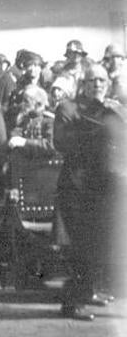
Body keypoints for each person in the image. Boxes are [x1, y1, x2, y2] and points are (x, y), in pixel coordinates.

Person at [53, 64, 124, 321]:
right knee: (80, 247)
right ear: (83, 83)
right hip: (77, 187)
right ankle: (71, 305)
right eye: (92, 80)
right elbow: (61, 143)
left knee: (99, 244)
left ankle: (89, 292)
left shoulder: (112, 109)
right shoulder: (68, 108)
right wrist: (95, 129)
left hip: (105, 187)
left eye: (102, 80)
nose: (97, 84)